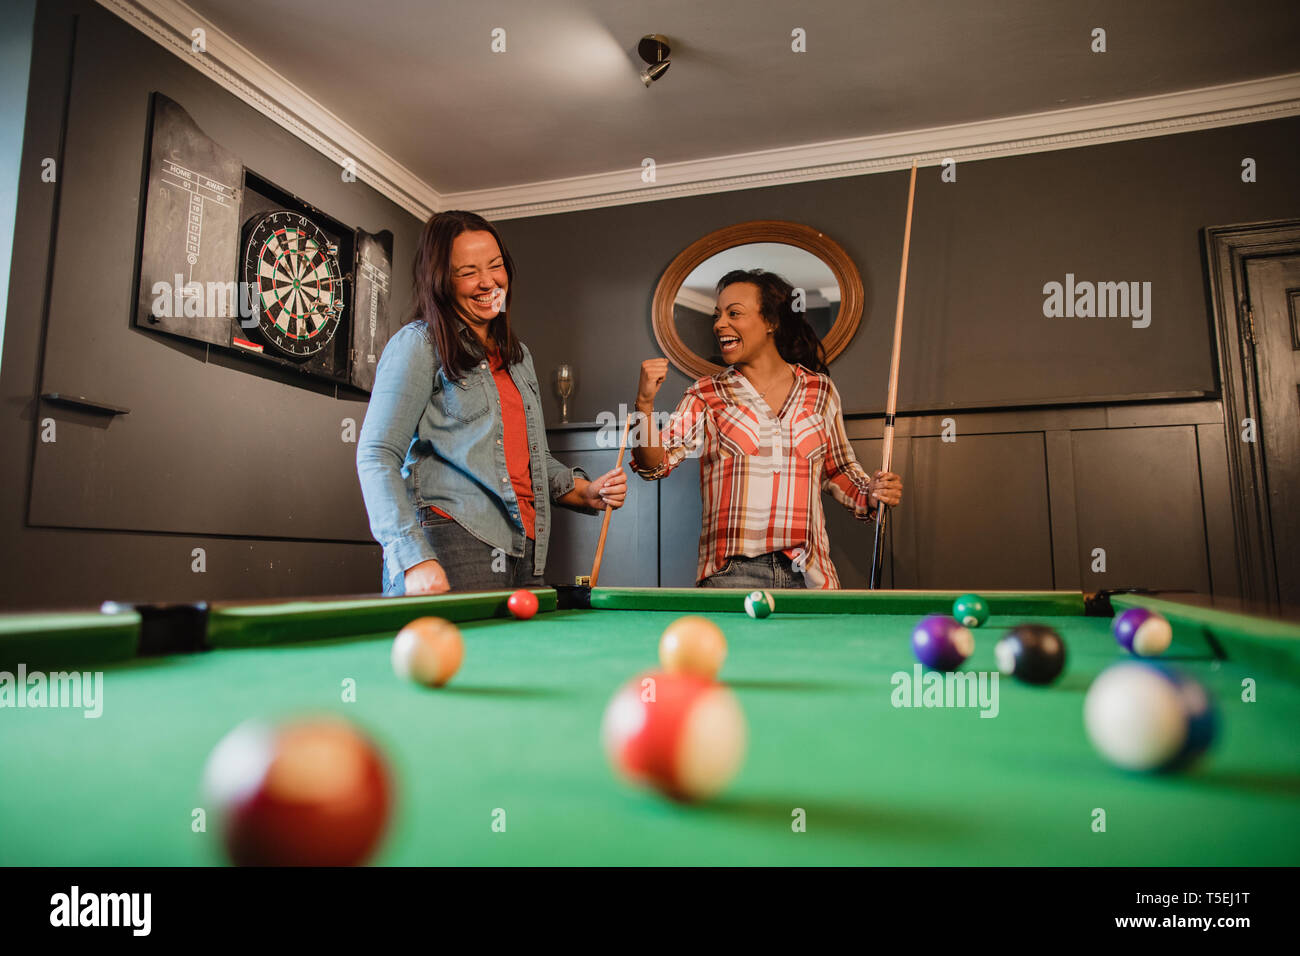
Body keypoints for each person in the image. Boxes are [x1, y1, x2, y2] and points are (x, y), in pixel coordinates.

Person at [357, 210, 626, 595]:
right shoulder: (418, 344)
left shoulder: (519, 358)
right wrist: (412, 556)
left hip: (527, 551)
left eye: (495, 266)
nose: (488, 282)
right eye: (468, 272)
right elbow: (376, 455)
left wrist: (586, 490)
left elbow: (530, 460)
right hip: (450, 542)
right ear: (441, 281)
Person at [631, 268, 902, 589]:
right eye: (717, 315)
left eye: (734, 313)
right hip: (732, 575)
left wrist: (872, 492)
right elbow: (654, 464)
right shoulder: (706, 393)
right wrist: (644, 406)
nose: (719, 324)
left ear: (771, 322)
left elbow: (838, 469)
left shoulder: (820, 390)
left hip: (811, 574)